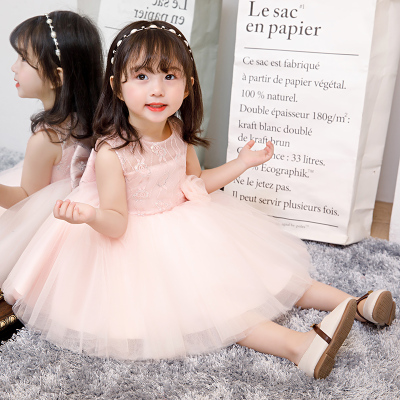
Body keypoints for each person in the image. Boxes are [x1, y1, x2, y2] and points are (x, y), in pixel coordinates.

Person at [2, 21, 395, 379]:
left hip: (187, 218)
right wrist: (88, 215)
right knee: (217, 306)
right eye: (142, 76)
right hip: (135, 242)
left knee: (269, 274)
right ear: (117, 87)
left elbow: (196, 182)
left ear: (187, 86)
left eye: (169, 76)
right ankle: (298, 347)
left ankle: (357, 303)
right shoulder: (111, 152)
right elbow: (116, 221)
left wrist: (241, 163)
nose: (157, 89)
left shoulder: (176, 130)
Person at [0, 11, 103, 286]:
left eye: (24, 59)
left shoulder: (46, 140)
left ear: (57, 77)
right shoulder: (92, 120)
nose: (13, 67)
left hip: (51, 224)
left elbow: (25, 201)